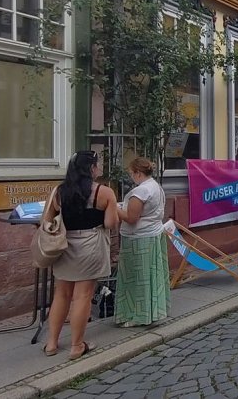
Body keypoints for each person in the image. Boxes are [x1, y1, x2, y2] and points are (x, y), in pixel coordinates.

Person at [43, 151, 118, 360]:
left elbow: (47, 220)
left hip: (65, 245)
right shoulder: (104, 192)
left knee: (61, 294)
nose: (100, 168)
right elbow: (111, 223)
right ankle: (77, 345)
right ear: (91, 168)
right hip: (91, 244)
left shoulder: (58, 191)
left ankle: (51, 343)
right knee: (82, 296)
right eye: (98, 164)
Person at [115, 157, 169, 328]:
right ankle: (152, 311)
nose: (131, 176)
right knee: (151, 278)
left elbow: (131, 218)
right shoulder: (155, 186)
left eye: (131, 173)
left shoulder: (141, 191)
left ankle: (137, 315)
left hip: (138, 239)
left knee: (137, 280)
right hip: (152, 235)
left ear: (138, 173)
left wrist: (113, 208)